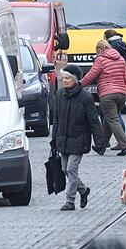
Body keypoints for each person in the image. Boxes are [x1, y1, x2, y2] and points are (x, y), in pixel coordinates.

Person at [51, 65, 108, 211]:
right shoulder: (59, 94)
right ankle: (83, 190)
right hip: (63, 139)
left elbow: (94, 121)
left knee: (71, 169)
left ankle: (70, 201)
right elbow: (56, 119)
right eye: (63, 78)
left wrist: (100, 142)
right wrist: (54, 139)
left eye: (68, 78)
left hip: (79, 139)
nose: (64, 81)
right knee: (65, 169)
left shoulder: (86, 98)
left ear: (76, 80)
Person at [81, 40, 126, 156]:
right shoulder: (121, 59)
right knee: (108, 120)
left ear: (100, 50)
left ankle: (125, 146)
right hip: (122, 95)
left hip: (108, 94)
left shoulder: (100, 60)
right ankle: (101, 147)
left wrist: (78, 85)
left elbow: (91, 75)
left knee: (113, 120)